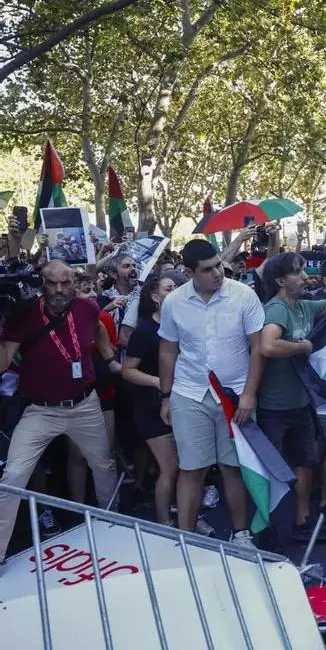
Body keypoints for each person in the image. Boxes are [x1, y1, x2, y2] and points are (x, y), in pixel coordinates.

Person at [0, 261, 123, 559]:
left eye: (65, 283)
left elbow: (98, 329)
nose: (58, 289)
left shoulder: (87, 307)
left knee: (104, 466)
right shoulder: (25, 314)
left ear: (73, 283)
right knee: (13, 476)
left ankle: (115, 525)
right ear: (41, 284)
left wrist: (109, 358)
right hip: (40, 411)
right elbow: (4, 362)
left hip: (84, 405)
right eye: (52, 283)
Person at [158, 239, 261, 547]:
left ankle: (241, 534)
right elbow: (168, 351)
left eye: (218, 265)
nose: (217, 273)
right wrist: (166, 396)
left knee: (233, 468)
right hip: (189, 393)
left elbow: (258, 348)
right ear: (189, 272)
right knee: (191, 469)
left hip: (235, 395)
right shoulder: (174, 302)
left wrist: (249, 395)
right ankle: (187, 539)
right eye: (207, 269)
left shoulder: (244, 295)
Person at [258, 252, 326, 543]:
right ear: (280, 281)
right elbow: (268, 345)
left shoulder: (303, 306)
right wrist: (301, 347)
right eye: (297, 272)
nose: (304, 276)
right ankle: (266, 530)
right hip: (273, 407)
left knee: (305, 463)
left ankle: (302, 524)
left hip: (301, 404)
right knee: (270, 471)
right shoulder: (276, 310)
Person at [122, 272, 187, 526]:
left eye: (178, 287)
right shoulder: (145, 331)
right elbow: (128, 371)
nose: (176, 292)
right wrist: (158, 382)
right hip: (151, 406)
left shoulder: (184, 325)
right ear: (155, 297)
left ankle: (185, 518)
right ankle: (165, 523)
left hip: (182, 402)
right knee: (169, 467)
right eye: (169, 288)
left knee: (186, 467)